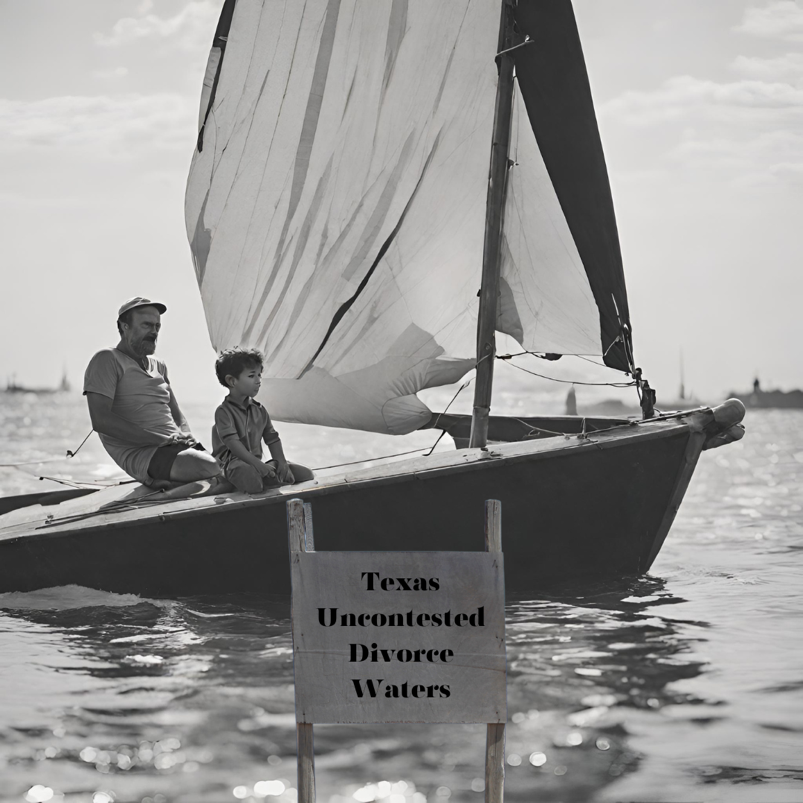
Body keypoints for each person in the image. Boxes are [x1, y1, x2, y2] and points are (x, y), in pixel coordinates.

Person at [83, 297, 221, 488]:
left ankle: (172, 484)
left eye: (157, 326)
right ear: (124, 326)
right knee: (212, 469)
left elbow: (175, 412)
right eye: (147, 325)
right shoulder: (107, 359)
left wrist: (187, 434)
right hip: (146, 453)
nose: (154, 332)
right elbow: (101, 421)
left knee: (228, 468)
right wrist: (161, 440)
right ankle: (163, 484)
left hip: (174, 445)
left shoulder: (159, 366)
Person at [212, 348, 314, 494]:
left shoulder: (259, 410)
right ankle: (232, 482)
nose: (258, 380)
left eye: (259, 375)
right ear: (231, 381)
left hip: (257, 464)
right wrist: (259, 465)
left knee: (306, 475)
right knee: (253, 483)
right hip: (234, 465)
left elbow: (272, 438)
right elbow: (233, 444)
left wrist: (282, 463)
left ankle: (268, 474)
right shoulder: (223, 412)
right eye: (252, 375)